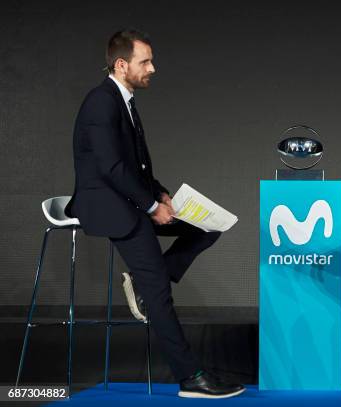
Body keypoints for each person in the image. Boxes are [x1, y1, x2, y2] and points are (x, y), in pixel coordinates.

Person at [65, 29, 245, 399]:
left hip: (132, 199)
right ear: (121, 64)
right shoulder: (101, 102)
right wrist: (151, 207)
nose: (153, 68)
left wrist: (160, 192)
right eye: (145, 61)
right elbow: (111, 168)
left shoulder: (125, 101)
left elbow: (135, 167)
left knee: (208, 227)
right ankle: (190, 377)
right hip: (111, 206)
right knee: (159, 293)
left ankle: (147, 283)